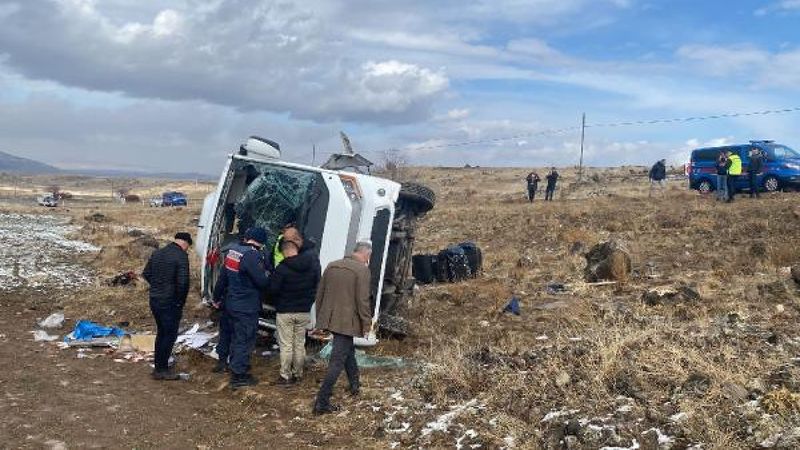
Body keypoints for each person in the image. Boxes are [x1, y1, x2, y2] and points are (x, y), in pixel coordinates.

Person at [313, 242, 373, 414]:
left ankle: (355, 385)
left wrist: (320, 318)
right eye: (368, 257)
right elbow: (362, 300)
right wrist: (367, 324)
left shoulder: (332, 265)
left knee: (347, 351)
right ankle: (322, 402)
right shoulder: (362, 270)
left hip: (330, 318)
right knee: (337, 361)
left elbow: (320, 294)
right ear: (366, 255)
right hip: (347, 322)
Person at [214, 227, 271, 388]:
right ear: (261, 241)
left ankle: (222, 362)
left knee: (228, 334)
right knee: (244, 339)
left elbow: (222, 278)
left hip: (231, 302)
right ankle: (238, 376)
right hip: (246, 305)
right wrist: (267, 271)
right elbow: (262, 282)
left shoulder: (234, 251)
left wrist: (216, 298)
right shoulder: (252, 256)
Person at [269, 239, 321, 385]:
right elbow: (315, 287)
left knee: (286, 345)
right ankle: (298, 374)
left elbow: (273, 289)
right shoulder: (310, 267)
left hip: (285, 312)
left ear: (284, 251)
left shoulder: (282, 268)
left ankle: (285, 375)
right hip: (303, 312)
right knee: (299, 344)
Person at [142, 232, 192, 381]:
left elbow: (146, 273)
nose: (187, 250)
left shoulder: (158, 253)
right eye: (188, 247)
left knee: (161, 332)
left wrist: (158, 287)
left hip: (155, 300)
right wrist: (179, 302)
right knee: (169, 335)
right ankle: (161, 370)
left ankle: (159, 366)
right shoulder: (181, 256)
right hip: (170, 302)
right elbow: (183, 283)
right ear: (185, 244)